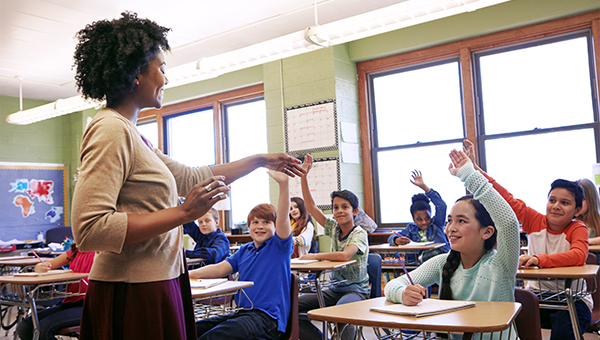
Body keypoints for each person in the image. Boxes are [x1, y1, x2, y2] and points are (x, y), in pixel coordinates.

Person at [70, 12, 304, 340]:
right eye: (161, 68)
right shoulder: (110, 129)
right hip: (132, 289)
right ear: (137, 72)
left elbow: (192, 177)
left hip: (159, 280)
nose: (165, 78)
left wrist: (260, 160)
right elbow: (89, 229)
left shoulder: (135, 135)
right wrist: (183, 213)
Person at [384, 149, 520, 340]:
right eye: (450, 221)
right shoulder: (442, 262)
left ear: (487, 231)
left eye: (461, 221)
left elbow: (508, 222)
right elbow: (393, 285)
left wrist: (469, 174)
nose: (451, 228)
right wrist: (402, 293)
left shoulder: (501, 264)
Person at [462, 139, 591, 340]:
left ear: (577, 210)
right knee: (504, 322)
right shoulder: (534, 220)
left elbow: (579, 256)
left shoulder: (578, 228)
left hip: (572, 300)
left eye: (565, 203)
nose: (556, 206)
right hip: (536, 296)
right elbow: (505, 198)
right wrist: (475, 170)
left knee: (564, 332)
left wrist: (540, 260)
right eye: (552, 200)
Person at [190, 171, 292, 340]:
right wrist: (190, 274)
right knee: (191, 329)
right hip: (243, 314)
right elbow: (220, 268)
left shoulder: (279, 247)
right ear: (249, 226)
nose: (260, 226)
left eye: (266, 222)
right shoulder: (245, 250)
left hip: (268, 319)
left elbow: (283, 218)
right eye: (255, 222)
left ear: (275, 227)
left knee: (213, 338)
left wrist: (283, 185)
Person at [297, 154, 370, 340]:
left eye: (344, 207)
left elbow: (346, 256)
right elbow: (311, 206)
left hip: (356, 291)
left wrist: (315, 256)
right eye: (335, 207)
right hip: (333, 289)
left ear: (355, 211)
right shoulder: (334, 228)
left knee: (341, 312)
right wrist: (303, 177)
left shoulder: (360, 233)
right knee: (292, 305)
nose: (339, 211)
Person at [16, 244, 94, 340]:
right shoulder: (76, 251)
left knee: (44, 328)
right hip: (70, 303)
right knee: (25, 327)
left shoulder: (102, 252)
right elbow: (48, 264)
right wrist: (40, 267)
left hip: (91, 307)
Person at [387, 170, 450, 259]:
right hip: (417, 264)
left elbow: (442, 205)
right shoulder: (411, 228)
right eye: (419, 219)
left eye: (427, 218)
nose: (424, 222)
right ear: (413, 219)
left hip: (439, 259)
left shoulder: (437, 223)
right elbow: (391, 238)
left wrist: (423, 187)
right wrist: (397, 240)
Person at [576, 178, 600, 245]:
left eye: (583, 199)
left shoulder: (598, 220)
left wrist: (588, 241)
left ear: (591, 199)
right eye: (575, 199)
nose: (578, 203)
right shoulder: (570, 222)